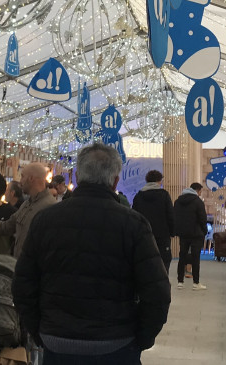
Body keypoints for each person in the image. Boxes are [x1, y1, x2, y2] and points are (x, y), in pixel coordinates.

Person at [13, 143, 171, 364]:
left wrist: (40, 330)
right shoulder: (133, 224)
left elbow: (23, 283)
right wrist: (141, 338)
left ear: (77, 176)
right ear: (115, 180)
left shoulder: (46, 220)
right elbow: (157, 292)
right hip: (116, 342)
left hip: (58, 340)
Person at [132, 170, 174, 273]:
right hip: (162, 236)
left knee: (145, 264)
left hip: (143, 236)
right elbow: (170, 215)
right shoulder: (164, 195)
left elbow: (134, 216)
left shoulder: (138, 196)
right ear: (159, 181)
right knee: (163, 264)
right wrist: (172, 232)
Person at [174, 183, 207, 290]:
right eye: (200, 191)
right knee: (195, 257)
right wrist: (204, 231)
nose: (200, 193)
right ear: (197, 190)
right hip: (196, 234)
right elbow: (203, 218)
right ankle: (196, 283)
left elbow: (175, 216)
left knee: (182, 256)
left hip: (183, 233)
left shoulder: (178, 201)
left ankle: (180, 282)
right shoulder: (198, 202)